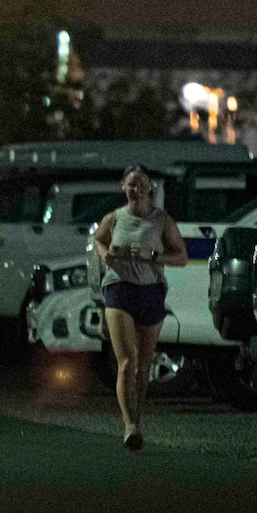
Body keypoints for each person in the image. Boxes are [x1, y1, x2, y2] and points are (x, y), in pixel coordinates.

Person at [92, 165, 189, 451]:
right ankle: (129, 425)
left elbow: (181, 257)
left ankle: (138, 415)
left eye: (142, 185)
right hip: (119, 290)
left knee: (143, 366)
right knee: (126, 362)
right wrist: (106, 255)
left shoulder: (162, 221)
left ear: (150, 188)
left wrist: (154, 256)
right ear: (123, 186)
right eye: (131, 185)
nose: (136, 190)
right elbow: (98, 239)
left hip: (150, 292)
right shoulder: (114, 218)